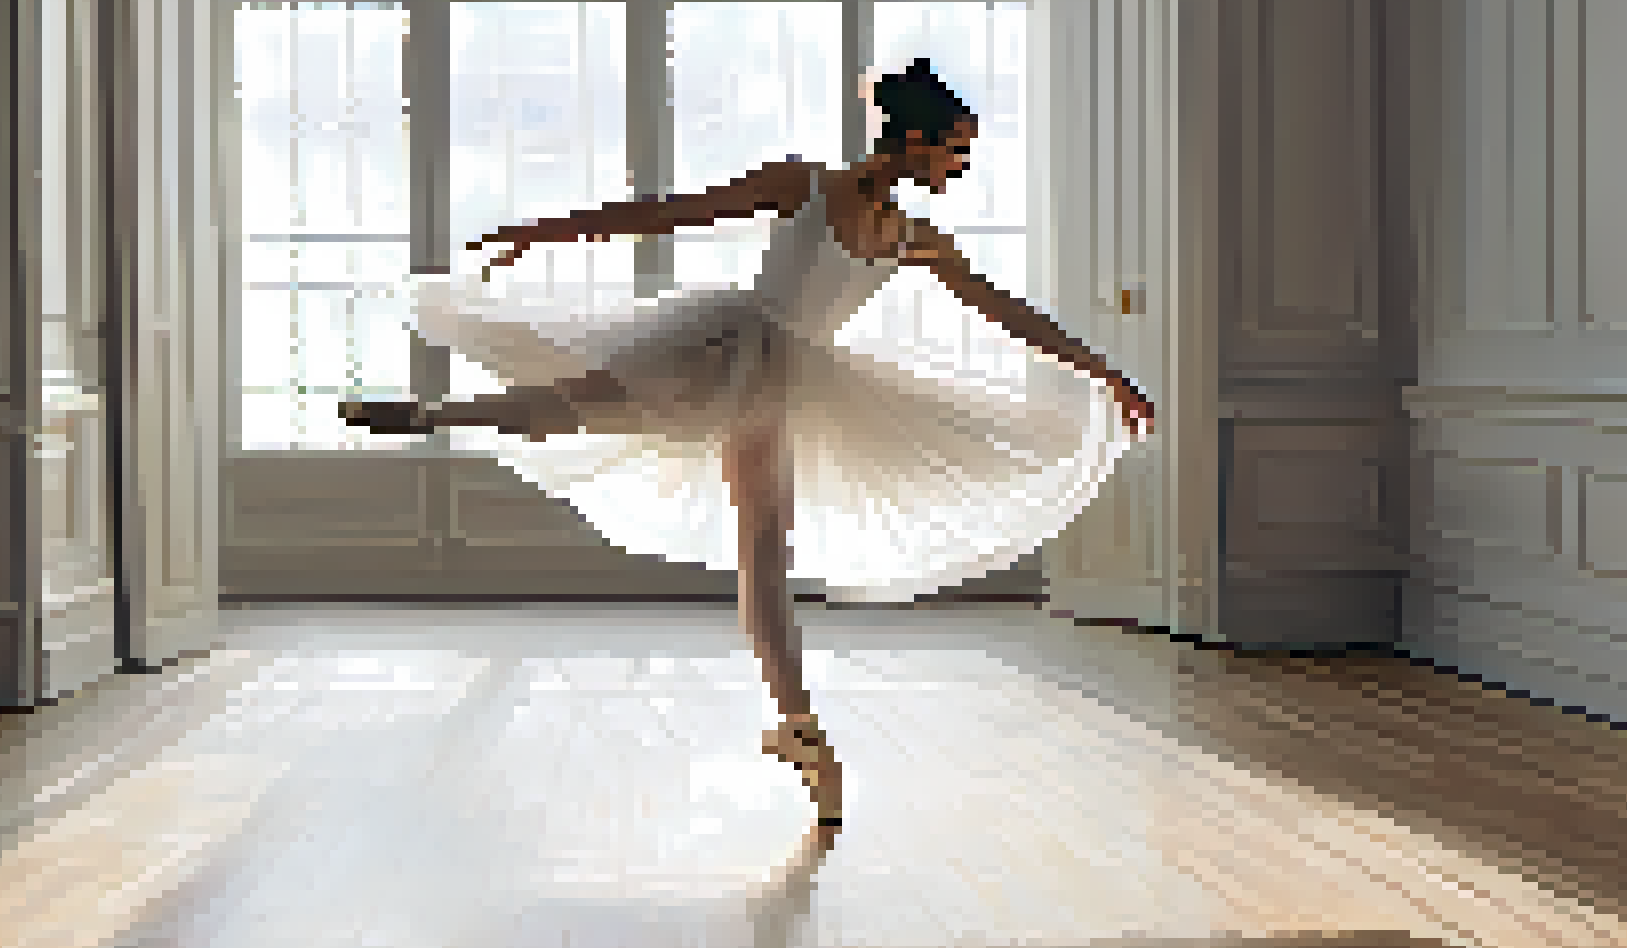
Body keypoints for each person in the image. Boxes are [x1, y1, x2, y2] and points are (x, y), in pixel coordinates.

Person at [342, 59, 1154, 828]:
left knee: (758, 542)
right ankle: (433, 416)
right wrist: (547, 228)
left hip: (783, 378)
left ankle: (798, 724)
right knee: (589, 411)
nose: (961, 166)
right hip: (727, 344)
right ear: (912, 141)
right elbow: (670, 212)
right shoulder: (809, 187)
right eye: (955, 149)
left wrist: (1102, 371)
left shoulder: (916, 236)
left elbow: (1007, 313)